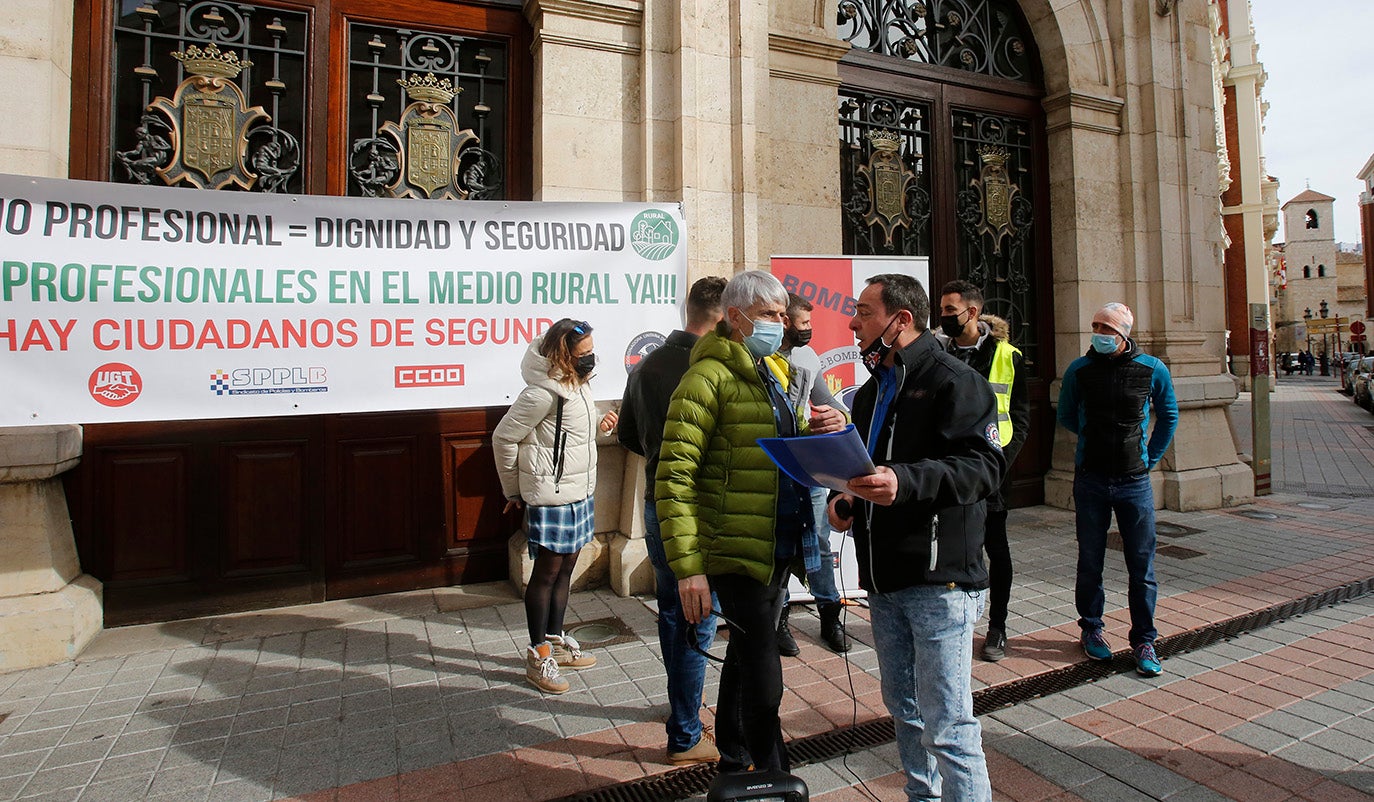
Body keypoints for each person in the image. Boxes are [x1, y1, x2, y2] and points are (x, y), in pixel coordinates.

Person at [656, 270, 843, 774]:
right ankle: (772, 767)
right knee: (763, 662)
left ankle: (734, 753)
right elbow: (674, 478)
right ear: (736, 318)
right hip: (734, 548)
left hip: (776, 541)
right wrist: (688, 567)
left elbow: (775, 447)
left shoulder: (772, 370)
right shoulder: (705, 378)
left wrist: (818, 427)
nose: (781, 325)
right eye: (770, 315)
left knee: (743, 652)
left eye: (784, 315)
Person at [830, 274, 1004, 801]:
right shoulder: (868, 392)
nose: (853, 322)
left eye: (863, 311)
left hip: (939, 583)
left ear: (900, 320)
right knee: (903, 713)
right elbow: (871, 466)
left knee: (948, 724)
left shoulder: (955, 380)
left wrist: (904, 483)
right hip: (883, 581)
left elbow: (983, 469)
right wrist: (849, 500)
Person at [618, 276, 727, 765]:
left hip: (657, 503)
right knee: (697, 618)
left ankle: (682, 705)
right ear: (722, 316)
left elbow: (629, 436)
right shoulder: (706, 366)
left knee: (673, 610)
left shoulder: (647, 365)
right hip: (696, 510)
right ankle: (684, 731)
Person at [493, 318, 617, 694]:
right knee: (546, 575)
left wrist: (601, 422)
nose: (591, 359)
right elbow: (503, 438)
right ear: (563, 355)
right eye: (583, 354)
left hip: (579, 491)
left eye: (592, 351)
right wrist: (516, 492)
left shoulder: (575, 385)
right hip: (551, 496)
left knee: (565, 571)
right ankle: (538, 654)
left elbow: (570, 428)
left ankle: (556, 640)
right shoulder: (541, 393)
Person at [1056, 302, 1178, 678]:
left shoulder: (1152, 369)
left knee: (1141, 565)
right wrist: (1093, 440)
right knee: (1090, 559)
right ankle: (1091, 628)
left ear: (1123, 334)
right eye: (1094, 326)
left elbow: (1168, 415)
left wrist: (1148, 458)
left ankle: (1144, 639)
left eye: (1105, 328)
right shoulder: (1079, 369)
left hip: (1134, 482)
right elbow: (1066, 414)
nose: (1098, 333)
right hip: (1091, 478)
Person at [937, 281, 1029, 663]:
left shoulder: (1008, 355)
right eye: (941, 310)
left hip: (990, 473)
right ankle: (950, 622)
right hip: (946, 471)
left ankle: (998, 626)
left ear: (972, 313)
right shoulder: (937, 352)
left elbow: (1020, 420)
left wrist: (997, 467)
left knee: (996, 549)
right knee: (949, 549)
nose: (943, 318)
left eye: (949, 310)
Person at [776, 293, 851, 654]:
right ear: (785, 322)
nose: (811, 330)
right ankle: (779, 620)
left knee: (820, 544)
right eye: (805, 323)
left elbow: (830, 403)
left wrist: (843, 418)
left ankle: (829, 615)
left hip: (810, 470)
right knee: (780, 547)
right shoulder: (758, 358)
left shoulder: (807, 356)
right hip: (774, 467)